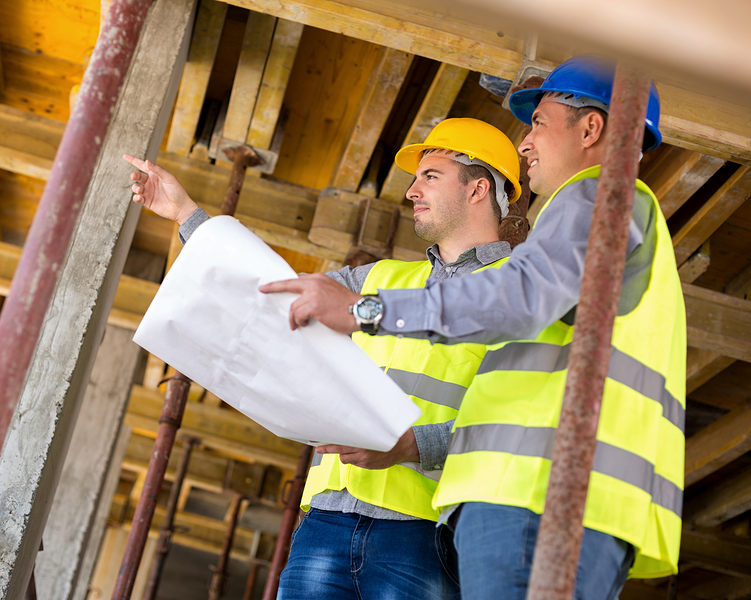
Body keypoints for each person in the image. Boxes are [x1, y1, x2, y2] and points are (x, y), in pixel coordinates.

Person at [260, 55, 685, 600]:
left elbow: (519, 294)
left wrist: (368, 312)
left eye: (537, 123)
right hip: (529, 497)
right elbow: (272, 290)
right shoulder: (580, 229)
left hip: (540, 497)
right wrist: (193, 224)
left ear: (592, 127)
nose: (526, 144)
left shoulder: (599, 199)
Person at [123, 117, 523, 600]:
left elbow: (521, 424)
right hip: (327, 522)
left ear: (478, 188)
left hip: (427, 532)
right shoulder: (380, 278)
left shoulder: (522, 292)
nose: (412, 191)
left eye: (429, 177)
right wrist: (187, 215)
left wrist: (412, 446)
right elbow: (272, 291)